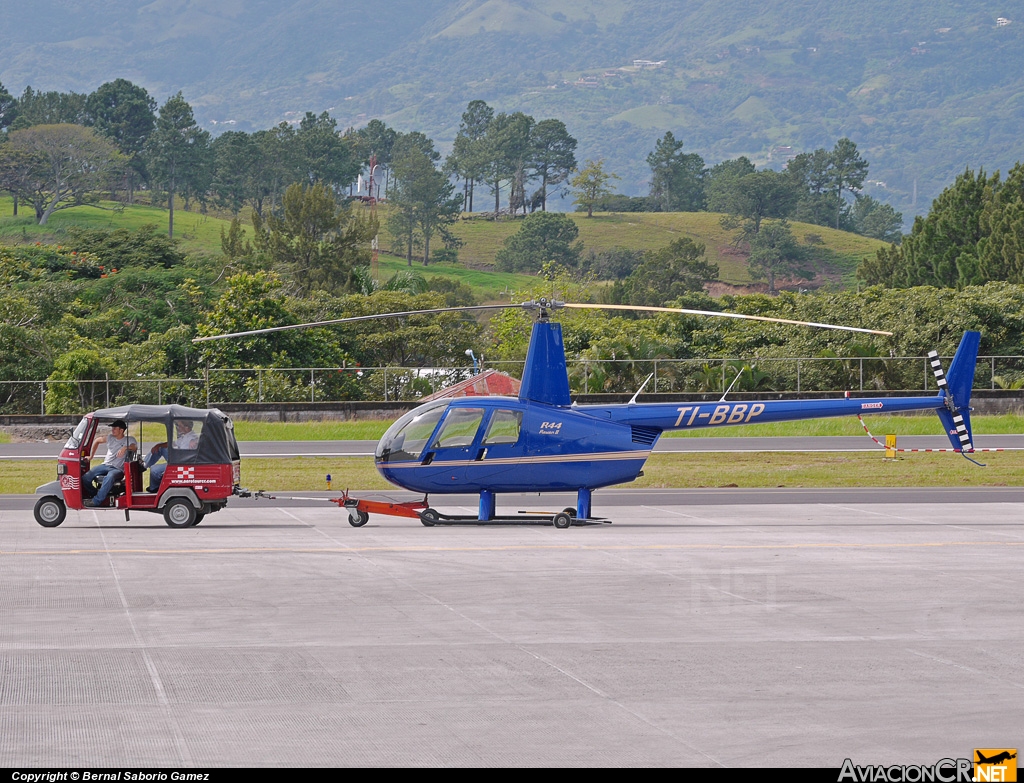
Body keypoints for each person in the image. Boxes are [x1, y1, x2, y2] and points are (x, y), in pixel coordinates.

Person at [82, 419, 138, 507]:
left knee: (110, 477)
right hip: (105, 465)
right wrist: (91, 456)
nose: (112, 430)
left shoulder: (129, 439)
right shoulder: (110, 437)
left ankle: (96, 501)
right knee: (86, 477)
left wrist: (125, 448)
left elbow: (134, 447)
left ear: (121, 430)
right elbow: (97, 440)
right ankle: (97, 495)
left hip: (117, 469)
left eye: (115, 428)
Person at [145, 419, 199, 492]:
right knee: (161, 447)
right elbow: (173, 443)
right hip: (177, 458)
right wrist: (159, 445)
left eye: (180, 426)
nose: (178, 428)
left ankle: (154, 489)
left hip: (181, 464)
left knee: (154, 470)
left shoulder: (192, 437)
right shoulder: (185, 436)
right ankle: (144, 464)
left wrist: (195, 441)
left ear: (187, 428)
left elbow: (199, 441)